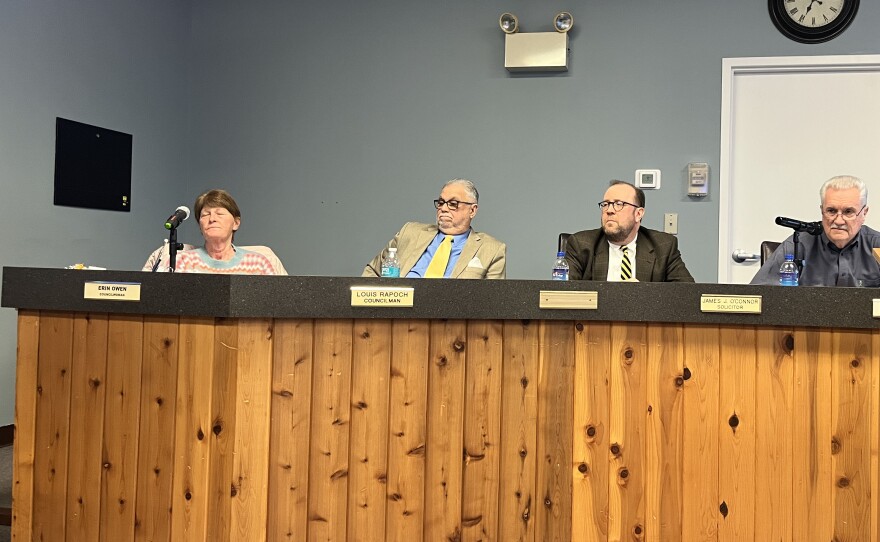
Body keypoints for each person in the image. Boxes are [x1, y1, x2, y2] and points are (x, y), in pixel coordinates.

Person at [750, 175, 880, 286]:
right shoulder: (797, 245)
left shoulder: (877, 245)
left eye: (848, 212)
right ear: (822, 210)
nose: (839, 221)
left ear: (864, 213)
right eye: (831, 211)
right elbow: (759, 296)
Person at [362, 178, 506, 278]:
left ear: (472, 211)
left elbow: (492, 302)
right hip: (398, 314)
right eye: (441, 202)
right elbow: (372, 272)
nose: (443, 208)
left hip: (452, 319)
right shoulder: (410, 232)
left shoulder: (492, 249)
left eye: (453, 203)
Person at [564, 180, 694, 282]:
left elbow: (685, 295)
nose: (609, 210)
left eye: (618, 204)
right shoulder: (581, 245)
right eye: (605, 204)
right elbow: (565, 295)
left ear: (638, 214)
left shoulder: (664, 247)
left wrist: (640, 296)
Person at [172, 189, 282, 275]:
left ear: (236, 223)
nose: (212, 219)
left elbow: (276, 302)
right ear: (200, 226)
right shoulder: (182, 261)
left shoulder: (258, 263)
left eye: (219, 214)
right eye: (205, 214)